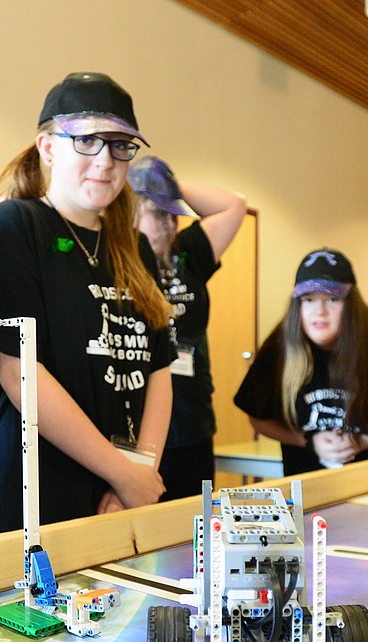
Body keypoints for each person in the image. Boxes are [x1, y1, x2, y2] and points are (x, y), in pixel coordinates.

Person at [0, 72, 175, 536]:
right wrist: (123, 475)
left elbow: (159, 370)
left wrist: (137, 475)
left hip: (123, 490)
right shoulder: (14, 227)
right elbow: (19, 372)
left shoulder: (135, 248)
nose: (106, 160)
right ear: (48, 147)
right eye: (87, 141)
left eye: (121, 144)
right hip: (38, 487)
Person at [234, 248, 368, 476]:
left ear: (352, 305)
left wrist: (363, 441)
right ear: (298, 305)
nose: (320, 312)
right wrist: (307, 441)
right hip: (307, 487)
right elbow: (257, 418)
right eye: (309, 300)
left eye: (333, 299)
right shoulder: (279, 348)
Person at [128, 157, 246, 501]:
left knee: (194, 529)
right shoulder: (116, 260)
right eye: (158, 213)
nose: (170, 224)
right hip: (139, 429)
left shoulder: (188, 254)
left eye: (172, 214)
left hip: (191, 423)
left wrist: (166, 185)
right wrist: (132, 184)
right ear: (130, 211)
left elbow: (233, 205)